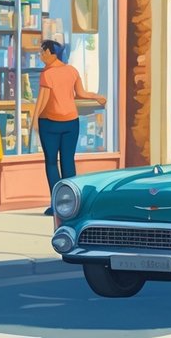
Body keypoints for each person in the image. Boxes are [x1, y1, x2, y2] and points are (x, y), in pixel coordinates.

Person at [31, 39, 106, 214]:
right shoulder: (72, 71)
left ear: (52, 53)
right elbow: (81, 93)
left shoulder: (47, 74)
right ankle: (73, 204)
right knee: (68, 162)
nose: (41, 55)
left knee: (51, 163)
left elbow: (42, 100)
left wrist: (34, 120)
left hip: (49, 123)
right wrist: (97, 96)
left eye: (43, 52)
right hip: (71, 122)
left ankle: (57, 205)